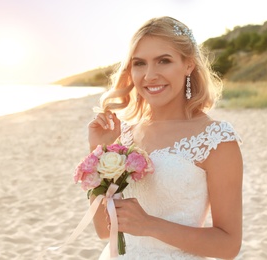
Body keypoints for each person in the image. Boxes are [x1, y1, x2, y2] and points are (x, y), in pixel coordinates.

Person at [87, 16, 243, 260]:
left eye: (164, 61)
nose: (150, 75)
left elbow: (228, 245)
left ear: (188, 65)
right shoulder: (125, 136)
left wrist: (149, 225)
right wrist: (99, 150)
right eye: (140, 63)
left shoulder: (216, 140)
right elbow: (104, 230)